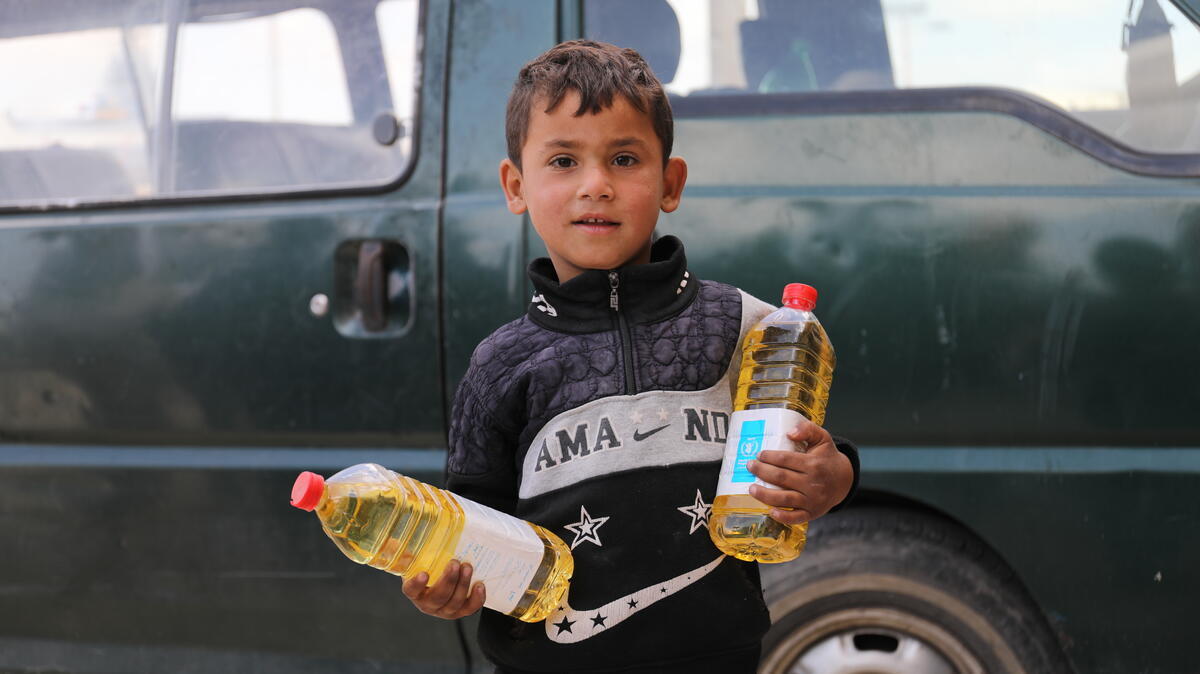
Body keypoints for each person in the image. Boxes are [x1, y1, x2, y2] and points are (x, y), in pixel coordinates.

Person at [401, 40, 860, 673]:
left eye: (624, 158)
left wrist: (833, 480)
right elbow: (474, 525)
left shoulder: (750, 327)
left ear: (670, 183)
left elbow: (817, 453)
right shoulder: (501, 365)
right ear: (516, 186)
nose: (597, 186)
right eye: (563, 160)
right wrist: (447, 584)